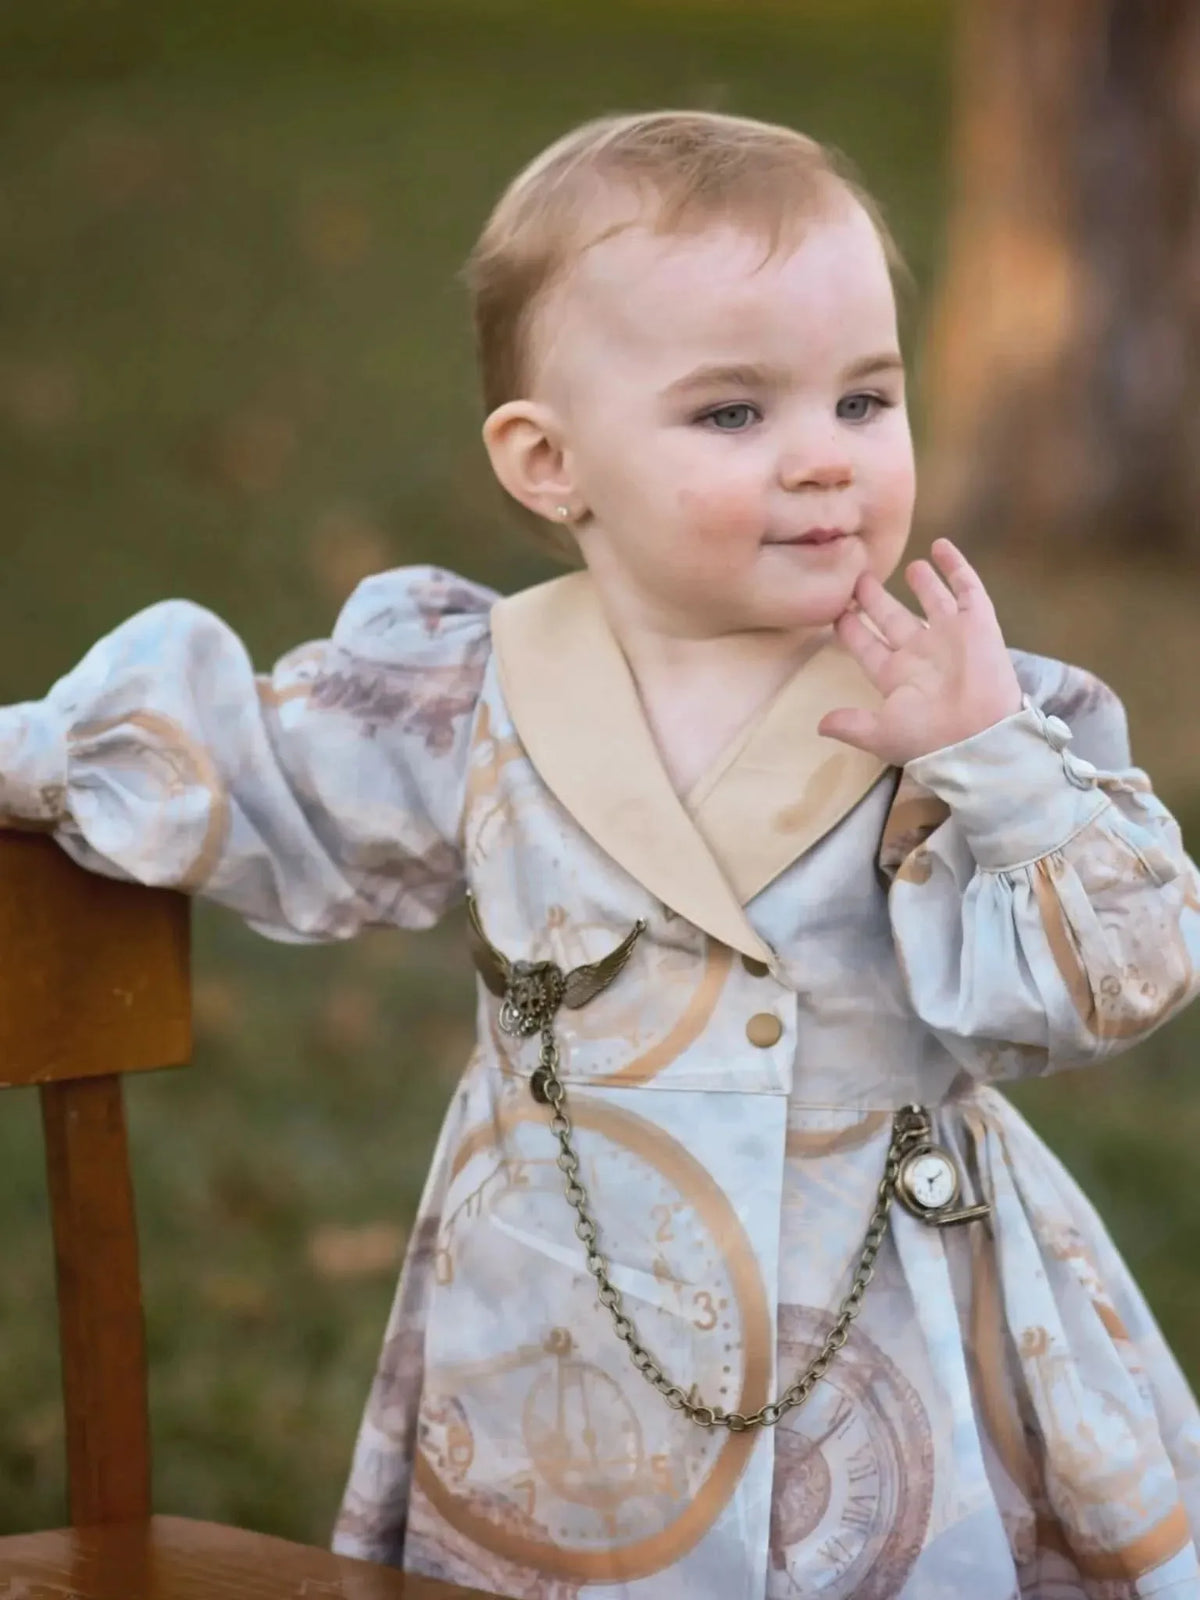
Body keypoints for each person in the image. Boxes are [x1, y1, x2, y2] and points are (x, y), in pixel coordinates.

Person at [1, 110, 1198, 1600]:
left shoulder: (952, 707)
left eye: (866, 401)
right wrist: (34, 761)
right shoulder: (475, 687)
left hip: (884, 1328)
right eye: (733, 416)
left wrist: (995, 764)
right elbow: (252, 769)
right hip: (569, 1329)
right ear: (549, 460)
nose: (825, 461)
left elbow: (1117, 976)